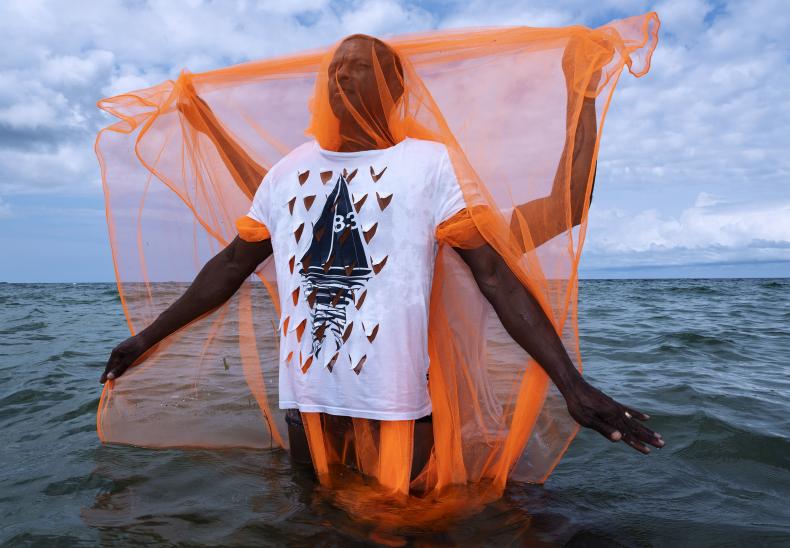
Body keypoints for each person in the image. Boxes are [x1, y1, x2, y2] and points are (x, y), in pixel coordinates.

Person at [100, 33, 663, 494]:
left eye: (359, 66)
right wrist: (145, 339)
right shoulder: (286, 172)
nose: (341, 74)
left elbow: (497, 278)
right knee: (312, 521)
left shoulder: (428, 167)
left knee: (413, 528)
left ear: (394, 87)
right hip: (308, 405)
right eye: (334, 68)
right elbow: (227, 269)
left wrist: (571, 383)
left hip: (397, 406)